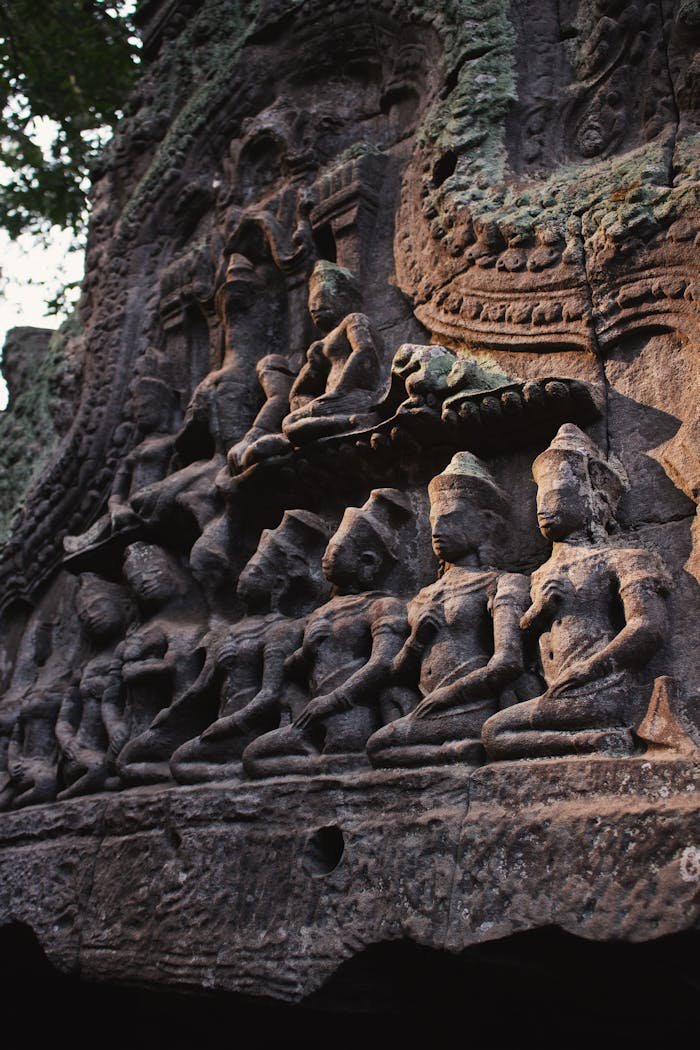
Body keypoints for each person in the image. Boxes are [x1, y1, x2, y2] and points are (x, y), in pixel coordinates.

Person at [482, 424, 671, 760]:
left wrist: (591, 669)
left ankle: (595, 740)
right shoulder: (540, 575)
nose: (542, 508)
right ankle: (590, 742)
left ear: (594, 501)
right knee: (502, 716)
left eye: (556, 496)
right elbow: (516, 647)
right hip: (555, 687)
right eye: (539, 498)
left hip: (601, 685)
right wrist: (537, 612)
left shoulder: (622, 558)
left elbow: (648, 626)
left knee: (496, 731)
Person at [367, 453, 530, 769]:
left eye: (451, 517)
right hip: (427, 704)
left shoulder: (502, 583)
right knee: (377, 747)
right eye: (433, 520)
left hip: (470, 704)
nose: (437, 528)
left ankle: (460, 749)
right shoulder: (423, 597)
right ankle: (453, 754)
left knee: (382, 746)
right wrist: (416, 639)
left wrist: (449, 696)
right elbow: (397, 672)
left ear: (485, 522)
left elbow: (508, 661)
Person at [242, 489, 412, 777]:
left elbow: (383, 664)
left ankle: (335, 767)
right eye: (328, 549)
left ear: (367, 562)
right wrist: (306, 651)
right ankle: (318, 768)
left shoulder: (383, 606)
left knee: (339, 756)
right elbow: (291, 669)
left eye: (336, 551)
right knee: (253, 757)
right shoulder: (320, 612)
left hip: (350, 710)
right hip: (309, 715)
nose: (325, 558)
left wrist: (334, 701)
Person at [169, 510, 330, 783]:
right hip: (224, 719)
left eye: (254, 572)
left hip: (251, 722)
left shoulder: (282, 629)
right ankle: (239, 771)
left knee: (185, 763)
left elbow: (271, 692)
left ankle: (258, 766)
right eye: (246, 569)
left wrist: (229, 725)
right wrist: (213, 666)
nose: (244, 577)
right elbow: (203, 690)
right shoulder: (222, 634)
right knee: (177, 763)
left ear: (277, 585)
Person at [281, 261, 386, 446]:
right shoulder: (321, 344)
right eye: (311, 303)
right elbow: (301, 389)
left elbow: (364, 351)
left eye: (322, 298)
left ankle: (358, 419)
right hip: (332, 400)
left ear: (345, 298)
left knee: (291, 426)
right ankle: (349, 422)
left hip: (354, 397)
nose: (315, 308)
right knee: (289, 424)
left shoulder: (354, 320)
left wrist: (340, 391)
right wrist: (302, 400)